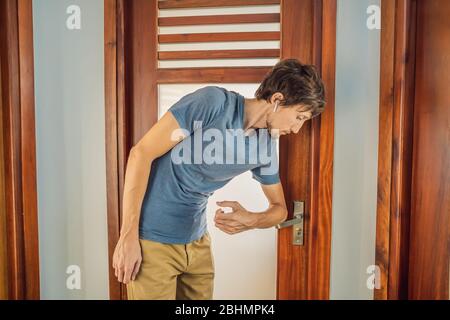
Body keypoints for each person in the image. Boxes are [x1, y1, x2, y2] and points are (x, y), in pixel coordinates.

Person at [112, 58, 326, 300]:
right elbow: (141, 153)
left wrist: (252, 220)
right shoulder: (213, 102)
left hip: (197, 243)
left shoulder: (265, 147)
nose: (297, 129)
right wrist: (127, 236)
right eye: (299, 117)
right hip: (151, 241)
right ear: (277, 100)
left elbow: (280, 210)